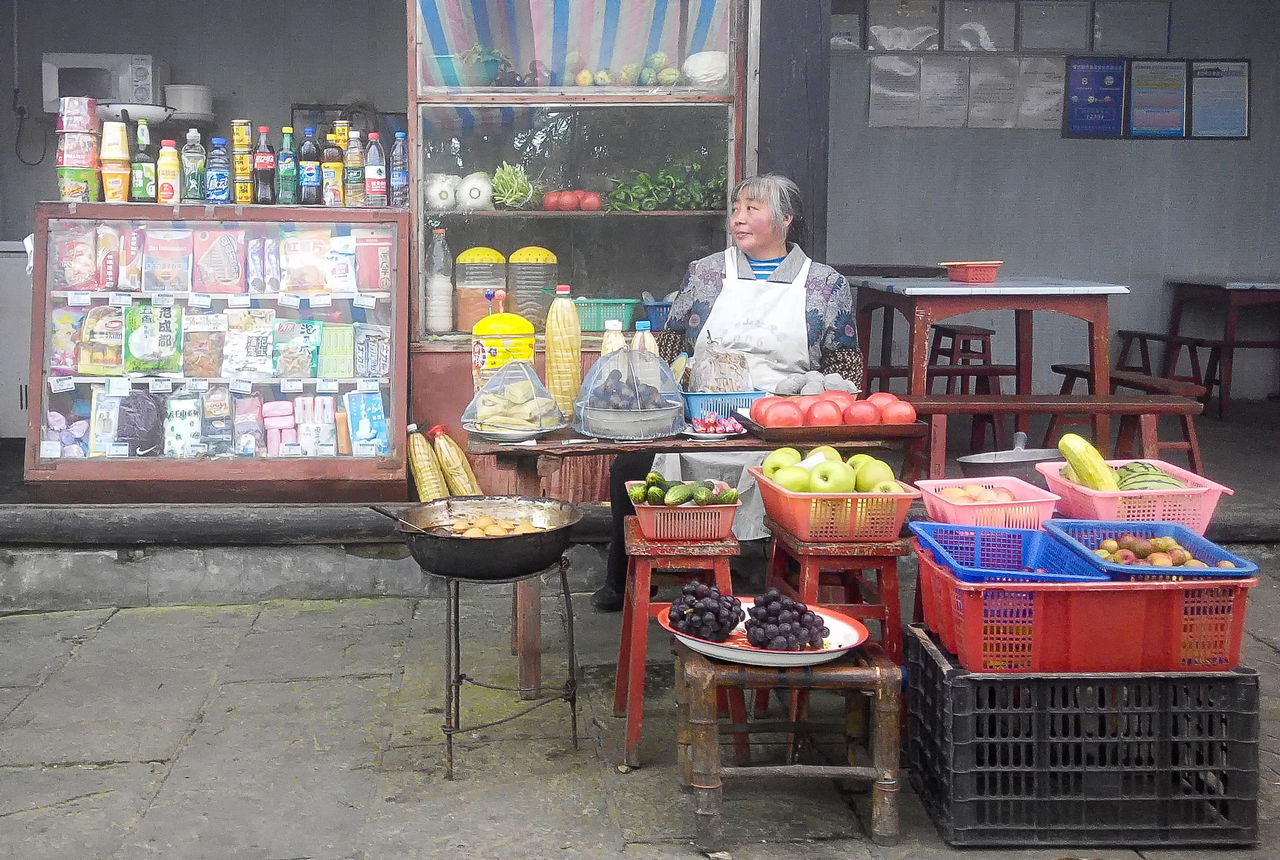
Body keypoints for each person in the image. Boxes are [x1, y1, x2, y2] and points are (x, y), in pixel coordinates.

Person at [592, 173, 865, 611]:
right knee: (632, 462)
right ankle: (621, 579)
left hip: (781, 423)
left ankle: (785, 577)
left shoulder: (824, 285)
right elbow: (670, 348)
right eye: (735, 210)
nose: (738, 220)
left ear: (786, 219)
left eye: (751, 210)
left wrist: (816, 405)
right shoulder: (705, 274)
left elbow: (844, 369)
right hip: (702, 417)